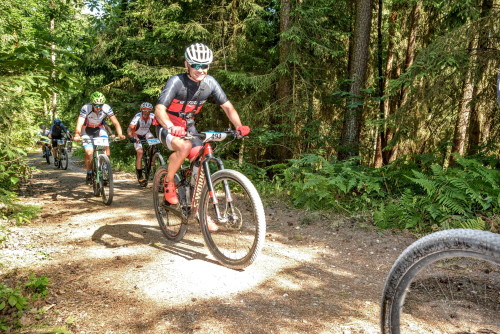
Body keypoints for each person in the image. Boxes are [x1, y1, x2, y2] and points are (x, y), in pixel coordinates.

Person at [154, 42, 250, 229]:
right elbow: (159, 109)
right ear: (186, 64)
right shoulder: (177, 81)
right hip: (166, 124)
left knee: (202, 160)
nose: (200, 70)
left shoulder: (210, 83)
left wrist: (239, 127)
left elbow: (228, 107)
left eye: (204, 65)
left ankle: (200, 211)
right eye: (195, 65)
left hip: (189, 125)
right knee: (184, 146)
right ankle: (168, 180)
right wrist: (170, 126)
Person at [73, 91, 126, 183]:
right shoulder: (86, 108)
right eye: (96, 105)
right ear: (92, 104)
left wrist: (120, 134)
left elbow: (115, 122)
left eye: (100, 105)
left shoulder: (106, 108)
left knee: (107, 151)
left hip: (99, 129)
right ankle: (89, 172)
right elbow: (80, 123)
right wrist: (77, 134)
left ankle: (105, 169)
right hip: (87, 130)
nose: (98, 108)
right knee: (89, 152)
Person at [127, 102, 156, 185]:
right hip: (136, 134)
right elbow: (129, 129)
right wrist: (131, 137)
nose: (146, 112)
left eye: (148, 111)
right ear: (141, 110)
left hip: (146, 133)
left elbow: (160, 124)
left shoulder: (152, 116)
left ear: (150, 111)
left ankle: (152, 159)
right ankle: (140, 175)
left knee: (154, 142)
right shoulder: (137, 117)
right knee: (140, 153)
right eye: (144, 110)